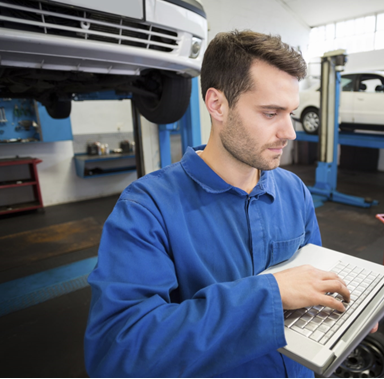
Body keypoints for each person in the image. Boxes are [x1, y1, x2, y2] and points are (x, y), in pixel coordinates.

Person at [84, 30, 353, 377]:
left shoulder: (293, 191)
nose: (290, 132)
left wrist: (346, 314)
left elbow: (312, 282)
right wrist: (267, 296)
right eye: (271, 113)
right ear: (217, 105)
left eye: (290, 112)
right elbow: (117, 352)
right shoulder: (146, 208)